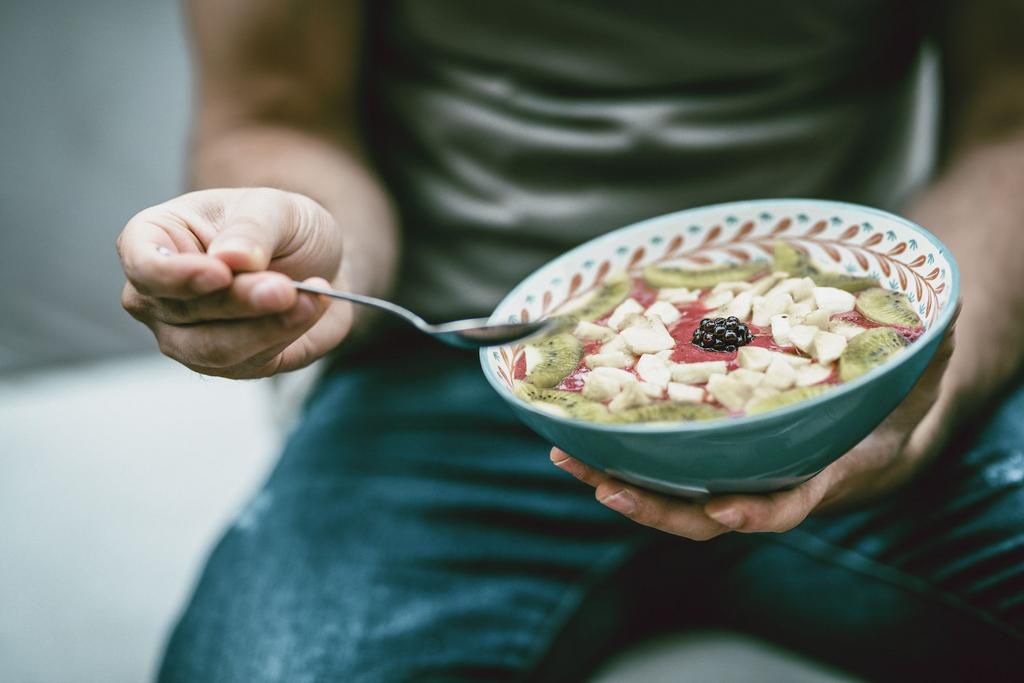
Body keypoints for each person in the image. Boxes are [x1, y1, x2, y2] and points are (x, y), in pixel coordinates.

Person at [117, 2, 1024, 681]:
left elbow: (1009, 125)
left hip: (849, 387)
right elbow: (278, 109)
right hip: (448, 375)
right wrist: (293, 255)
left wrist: (921, 385)